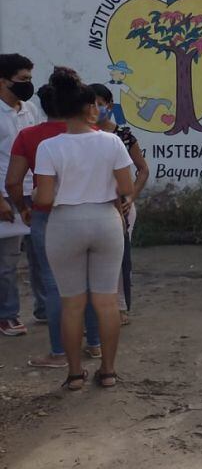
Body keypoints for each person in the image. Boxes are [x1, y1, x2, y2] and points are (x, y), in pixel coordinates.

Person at [33, 69, 133, 390]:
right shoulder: (112, 141)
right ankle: (108, 371)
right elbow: (126, 186)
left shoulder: (48, 147)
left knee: (72, 303)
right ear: (91, 108)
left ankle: (75, 374)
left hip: (65, 223)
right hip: (105, 219)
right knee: (105, 301)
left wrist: (35, 196)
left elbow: (45, 199)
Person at [7, 71, 101, 368]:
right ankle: (96, 344)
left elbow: (13, 181)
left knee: (55, 284)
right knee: (90, 282)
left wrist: (23, 206)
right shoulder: (97, 135)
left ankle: (59, 352)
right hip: (93, 213)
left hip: (48, 215)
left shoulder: (31, 137)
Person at [90, 84, 149, 321]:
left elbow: (143, 170)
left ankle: (121, 307)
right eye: (90, 104)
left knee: (118, 258)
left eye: (99, 104)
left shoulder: (123, 136)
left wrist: (132, 196)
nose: (94, 109)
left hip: (121, 206)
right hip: (93, 203)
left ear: (109, 106)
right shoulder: (81, 135)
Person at [0, 53, 45, 337]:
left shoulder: (31, 110)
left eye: (30, 78)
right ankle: (7, 314)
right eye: (23, 80)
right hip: (6, 194)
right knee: (6, 262)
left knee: (42, 257)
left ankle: (44, 307)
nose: (28, 84)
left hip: (34, 192)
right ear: (3, 81)